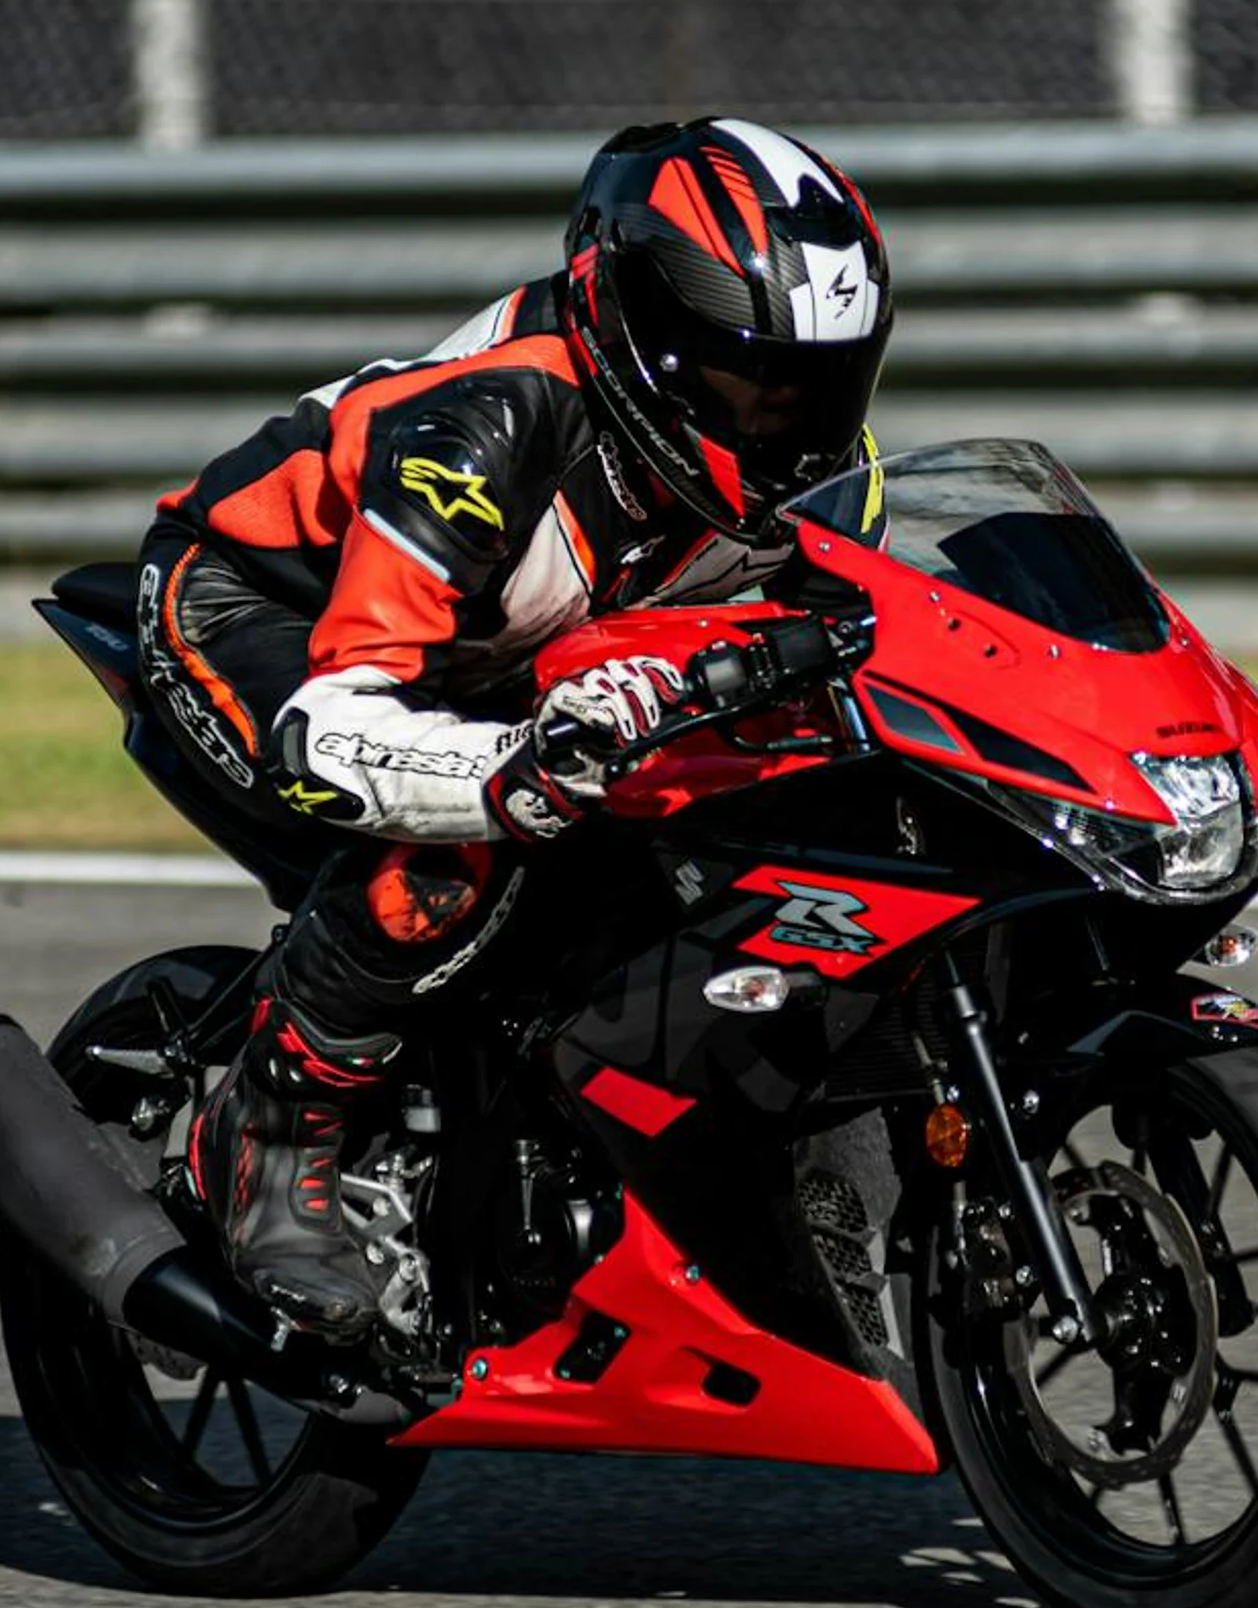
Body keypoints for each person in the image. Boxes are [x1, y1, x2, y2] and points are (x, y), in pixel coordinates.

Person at [130, 116, 894, 1341]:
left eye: (821, 382)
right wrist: (512, 767)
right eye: (753, 379)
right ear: (638, 330)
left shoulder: (814, 464)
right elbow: (339, 728)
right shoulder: (486, 428)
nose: (786, 418)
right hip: (262, 613)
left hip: (499, 648)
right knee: (460, 846)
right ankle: (272, 1132)